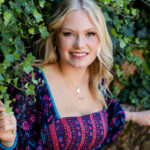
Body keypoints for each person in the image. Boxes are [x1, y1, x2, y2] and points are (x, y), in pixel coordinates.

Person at [0, 0, 150, 149]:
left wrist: (137, 117)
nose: (79, 44)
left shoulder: (96, 78)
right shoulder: (33, 82)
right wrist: (8, 142)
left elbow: (109, 114)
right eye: (69, 34)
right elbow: (15, 136)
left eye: (90, 33)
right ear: (55, 36)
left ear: (100, 38)